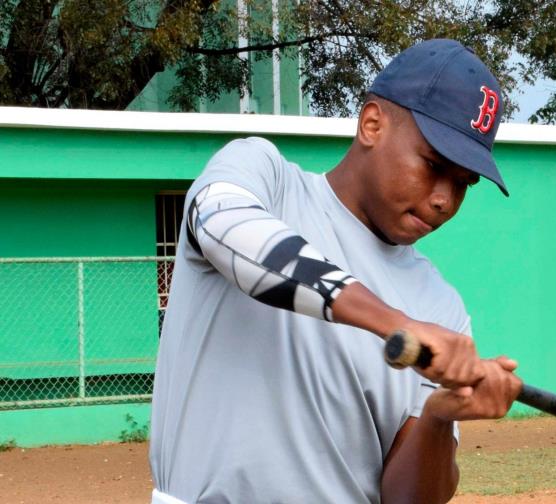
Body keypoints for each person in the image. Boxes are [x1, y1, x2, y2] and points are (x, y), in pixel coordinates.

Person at [149, 38, 521, 504]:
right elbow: (221, 224)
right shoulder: (266, 179)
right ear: (372, 124)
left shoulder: (440, 307)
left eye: (464, 183)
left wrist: (439, 418)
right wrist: (395, 324)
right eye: (432, 165)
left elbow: (405, 499)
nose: (444, 199)